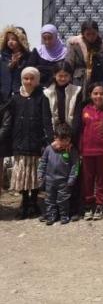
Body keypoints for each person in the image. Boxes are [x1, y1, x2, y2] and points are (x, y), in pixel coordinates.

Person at [8, 67, 53, 219]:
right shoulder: (15, 97)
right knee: (21, 174)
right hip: (19, 141)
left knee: (34, 174)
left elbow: (47, 120)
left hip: (36, 141)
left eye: (32, 78)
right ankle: (24, 202)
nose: (29, 81)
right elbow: (10, 119)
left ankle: (34, 202)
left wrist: (50, 139)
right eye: (26, 78)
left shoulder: (42, 97)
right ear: (22, 79)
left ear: (37, 80)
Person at [44, 62, 84, 220]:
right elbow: (46, 118)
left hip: (71, 139)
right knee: (55, 175)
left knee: (72, 174)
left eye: (65, 75)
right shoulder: (47, 93)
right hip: (54, 141)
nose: (62, 78)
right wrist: (53, 141)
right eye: (59, 75)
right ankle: (53, 211)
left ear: (70, 76)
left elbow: (78, 118)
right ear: (54, 75)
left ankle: (73, 209)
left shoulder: (77, 91)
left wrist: (69, 140)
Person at [79, 83, 103, 221]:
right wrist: (80, 149)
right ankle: (88, 205)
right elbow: (81, 130)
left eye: (101, 93)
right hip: (87, 150)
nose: (98, 96)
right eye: (95, 93)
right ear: (90, 95)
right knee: (87, 179)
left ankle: (100, 205)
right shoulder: (85, 110)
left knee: (102, 179)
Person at [37, 123, 79, 225]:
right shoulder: (48, 149)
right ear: (56, 138)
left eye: (67, 140)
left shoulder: (71, 150)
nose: (65, 143)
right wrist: (40, 173)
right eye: (62, 140)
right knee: (49, 199)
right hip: (50, 180)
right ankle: (51, 215)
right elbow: (43, 162)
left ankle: (64, 215)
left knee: (63, 199)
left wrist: (72, 178)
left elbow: (75, 165)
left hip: (64, 181)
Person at [65, 20, 103, 97]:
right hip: (79, 80)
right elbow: (69, 64)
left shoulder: (102, 46)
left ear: (97, 33)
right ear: (83, 34)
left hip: (96, 80)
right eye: (88, 34)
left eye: (93, 34)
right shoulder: (75, 45)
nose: (91, 37)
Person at [0, 25, 30, 100]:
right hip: (4, 97)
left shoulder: (28, 57)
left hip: (21, 95)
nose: (10, 42)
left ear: (20, 40)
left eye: (13, 39)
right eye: (8, 40)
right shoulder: (4, 57)